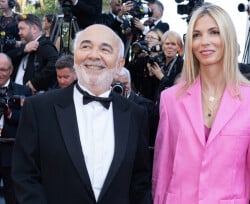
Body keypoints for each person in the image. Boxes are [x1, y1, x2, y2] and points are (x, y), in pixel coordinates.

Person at [12, 24, 152, 204]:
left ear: (119, 65)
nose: (94, 55)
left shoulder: (136, 114)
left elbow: (139, 182)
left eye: (105, 49)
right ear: (75, 57)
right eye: (86, 47)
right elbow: (25, 176)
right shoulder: (38, 108)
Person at [152, 4, 250, 203]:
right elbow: (162, 171)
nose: (204, 42)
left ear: (227, 37)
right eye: (196, 35)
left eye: (214, 32)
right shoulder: (171, 99)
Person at [0, 53, 31, 204]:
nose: (0, 73)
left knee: (13, 196)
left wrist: (9, 113)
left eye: (3, 69)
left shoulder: (23, 91)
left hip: (11, 152)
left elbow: (28, 120)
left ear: (11, 70)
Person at [7, 14, 59, 94]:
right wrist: (24, 49)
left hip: (30, 97)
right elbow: (7, 58)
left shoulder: (44, 45)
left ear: (34, 29)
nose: (19, 33)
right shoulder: (24, 46)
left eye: (22, 29)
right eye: (19, 29)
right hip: (15, 94)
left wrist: (36, 82)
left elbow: (56, 62)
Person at [127, 29, 163, 101]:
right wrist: (137, 58)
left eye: (152, 38)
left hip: (152, 99)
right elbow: (129, 73)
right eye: (147, 37)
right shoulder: (140, 57)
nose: (148, 40)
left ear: (159, 42)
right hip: (137, 96)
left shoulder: (162, 59)